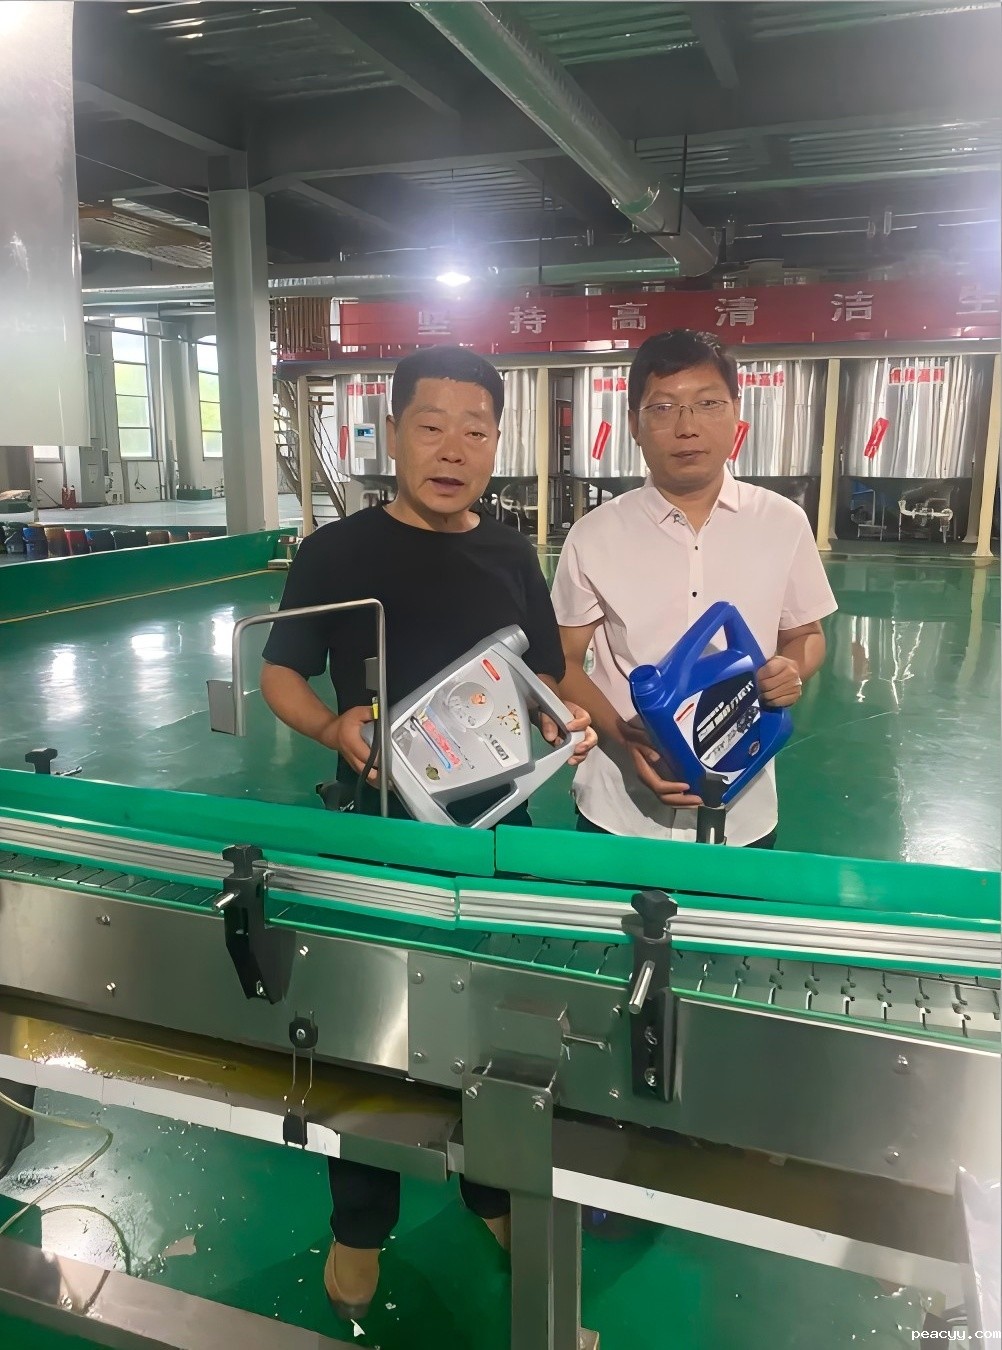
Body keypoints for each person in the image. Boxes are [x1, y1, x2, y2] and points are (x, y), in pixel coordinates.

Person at [258, 345, 596, 1321]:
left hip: (493, 839)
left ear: (496, 443)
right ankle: (361, 1223)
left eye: (475, 431)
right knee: (371, 1036)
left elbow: (544, 679)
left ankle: (494, 1194)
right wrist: (333, 728)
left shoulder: (510, 552)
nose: (453, 449)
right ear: (395, 435)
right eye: (431, 426)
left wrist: (563, 720)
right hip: (378, 838)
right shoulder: (337, 553)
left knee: (499, 1034)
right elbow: (281, 674)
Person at [552, 329, 837, 846]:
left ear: (736, 414)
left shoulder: (782, 523)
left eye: (708, 404)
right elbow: (565, 660)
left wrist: (793, 669)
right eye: (663, 408)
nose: (687, 428)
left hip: (743, 801)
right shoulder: (594, 535)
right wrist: (624, 740)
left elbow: (807, 634)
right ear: (635, 424)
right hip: (620, 809)